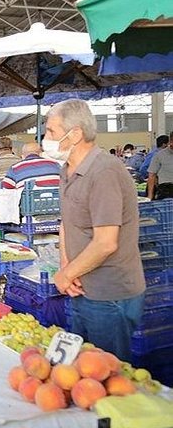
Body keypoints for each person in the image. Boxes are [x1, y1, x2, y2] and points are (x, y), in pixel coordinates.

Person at [45, 99, 145, 360]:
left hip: (108, 295)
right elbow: (67, 222)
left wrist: (66, 275)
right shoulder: (67, 170)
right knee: (82, 374)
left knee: (105, 375)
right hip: (81, 287)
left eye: (51, 131)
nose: (47, 138)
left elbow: (106, 242)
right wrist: (66, 267)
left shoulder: (104, 171)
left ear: (75, 134)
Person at [148, 132, 173, 200]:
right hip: (166, 190)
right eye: (171, 141)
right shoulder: (159, 155)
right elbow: (151, 175)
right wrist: (150, 196)